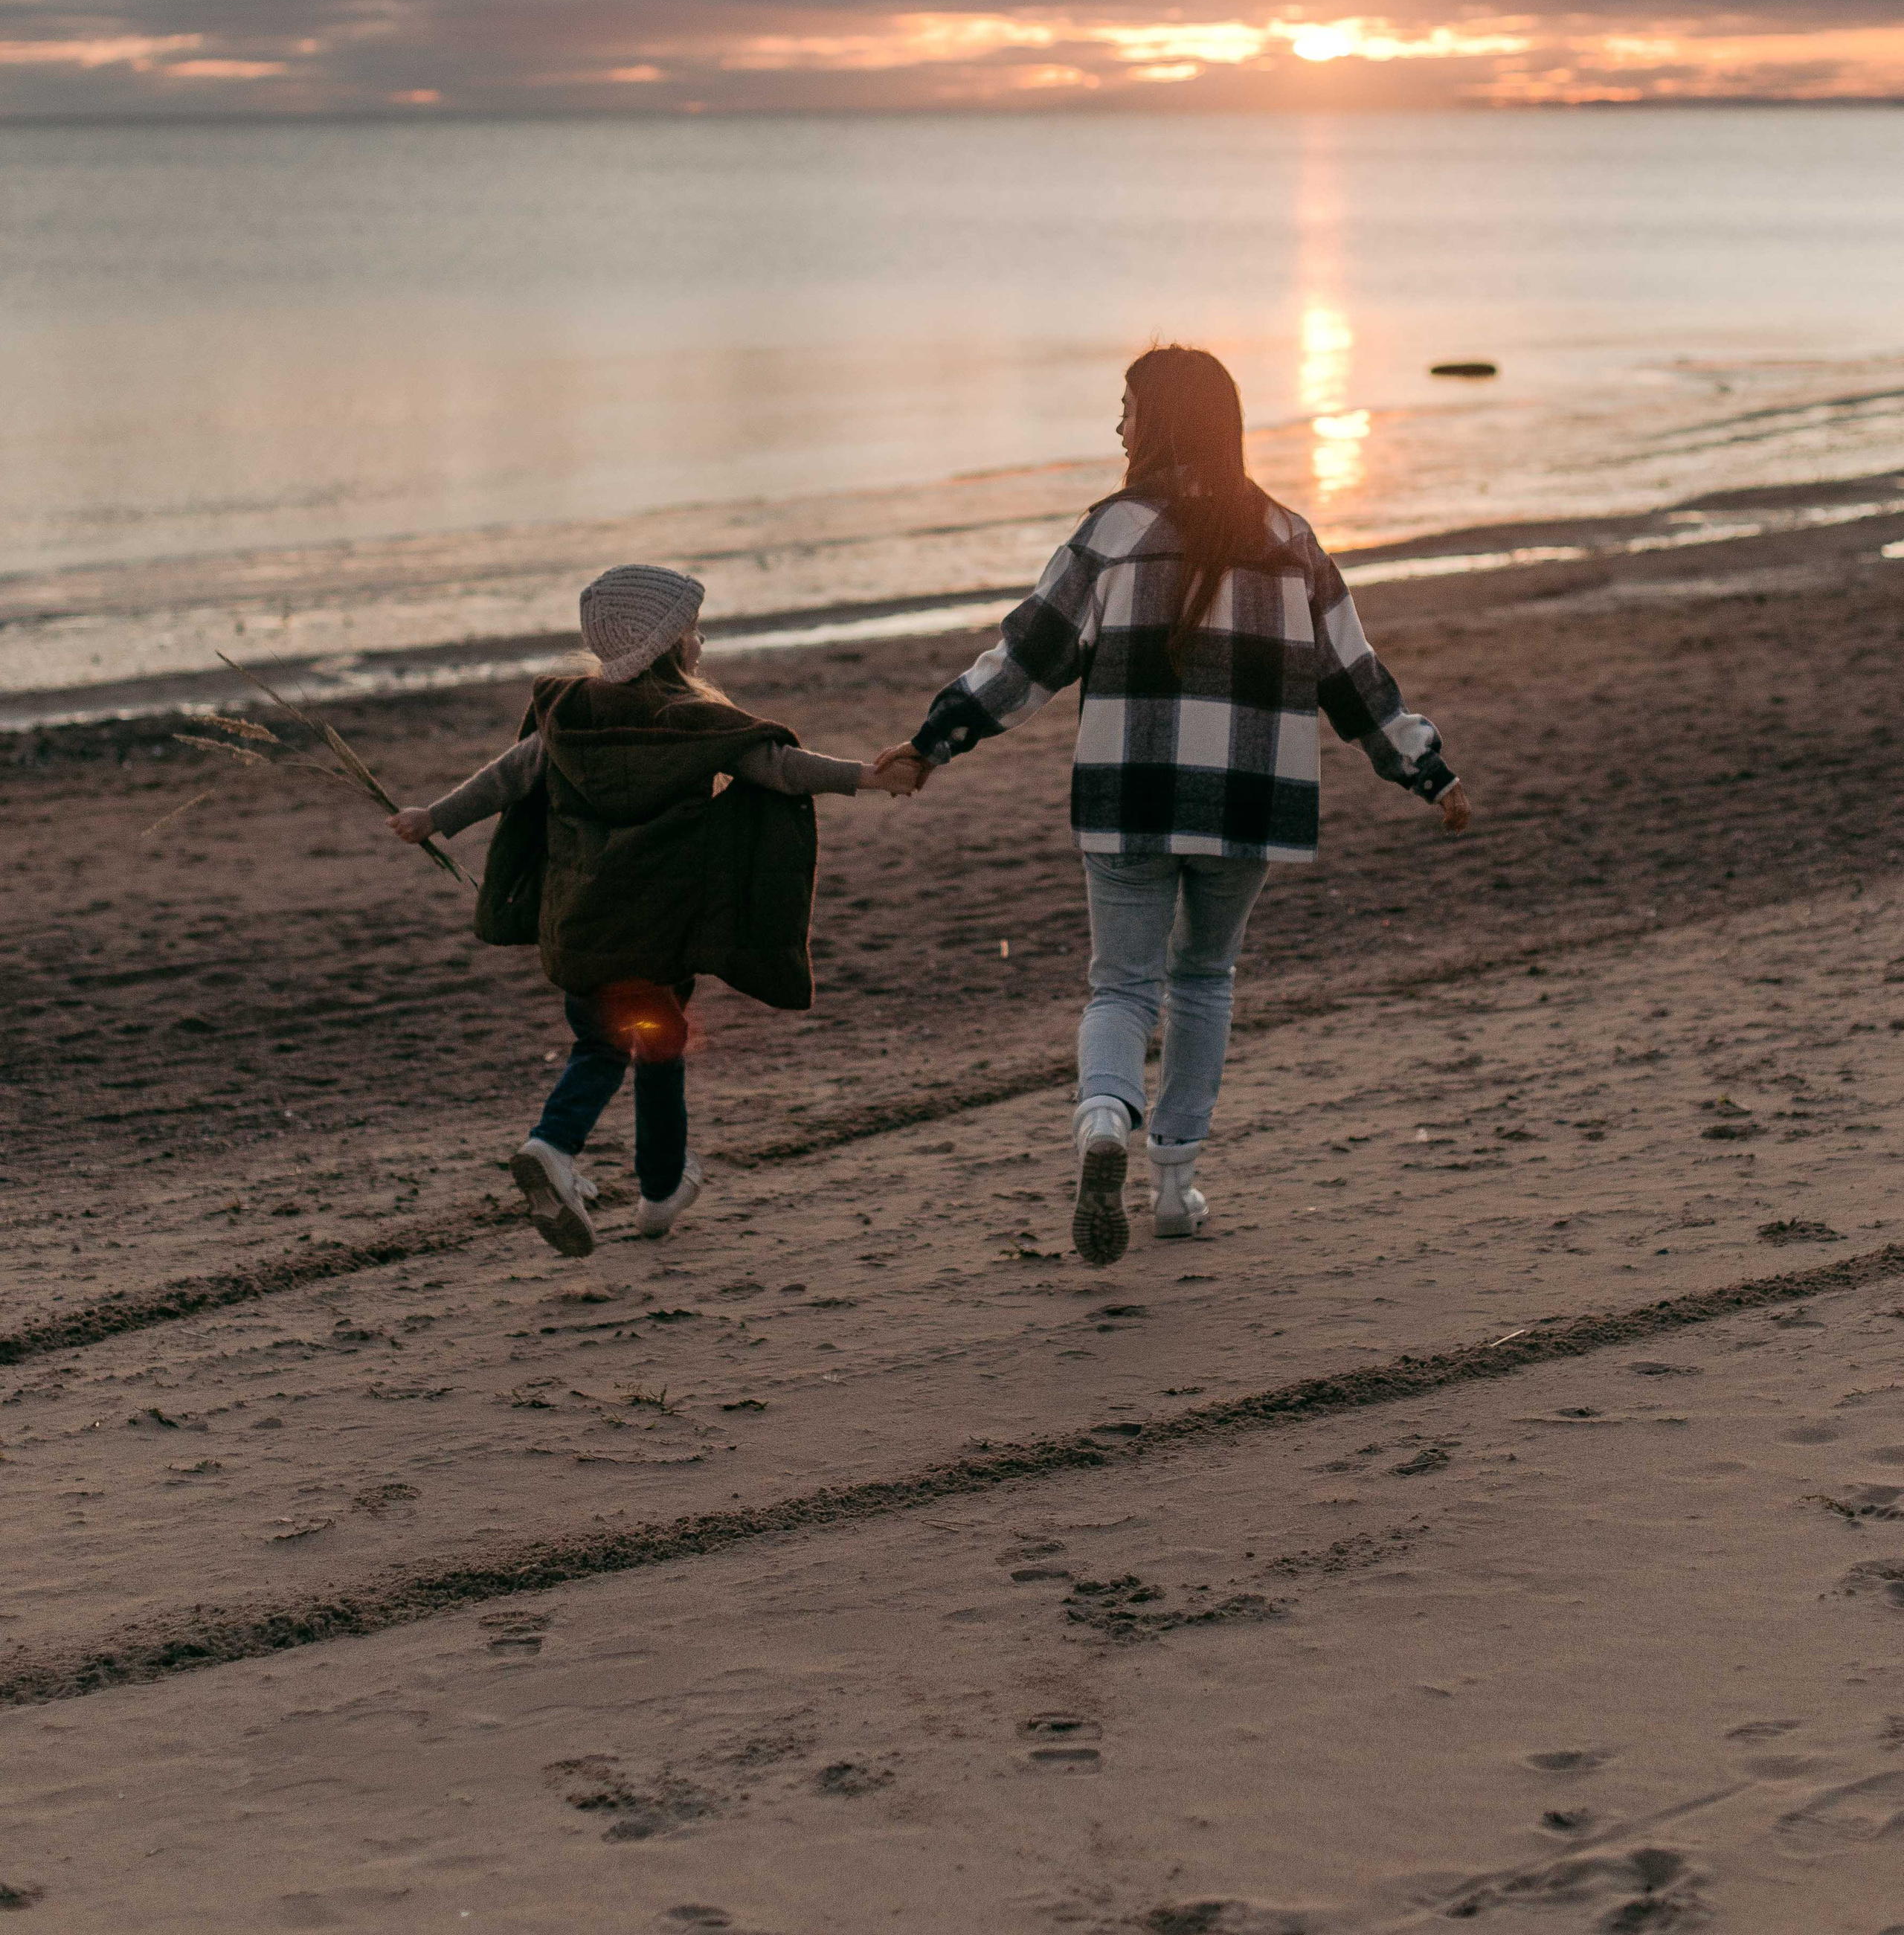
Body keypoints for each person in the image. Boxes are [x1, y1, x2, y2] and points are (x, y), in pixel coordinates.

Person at [875, 346, 1470, 1268]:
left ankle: (1103, 1117)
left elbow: (1026, 660)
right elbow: (1353, 679)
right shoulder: (1289, 536)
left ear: (1156, 423)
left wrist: (934, 741)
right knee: (1203, 979)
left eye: (1126, 409)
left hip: (1129, 793)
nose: (1117, 426)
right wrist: (1426, 771)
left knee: (1121, 982)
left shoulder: (1111, 533)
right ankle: (1176, 1185)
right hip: (1249, 802)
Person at [389, 564, 914, 1257]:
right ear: (671, 644)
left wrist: (435, 818)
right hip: (661, 934)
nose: (700, 640)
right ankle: (570, 1153)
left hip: (578, 928)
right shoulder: (695, 726)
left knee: (611, 1042)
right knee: (649, 1048)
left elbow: (508, 776)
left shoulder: (567, 716)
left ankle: (643, 1182)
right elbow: (781, 769)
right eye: (692, 629)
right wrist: (867, 778)